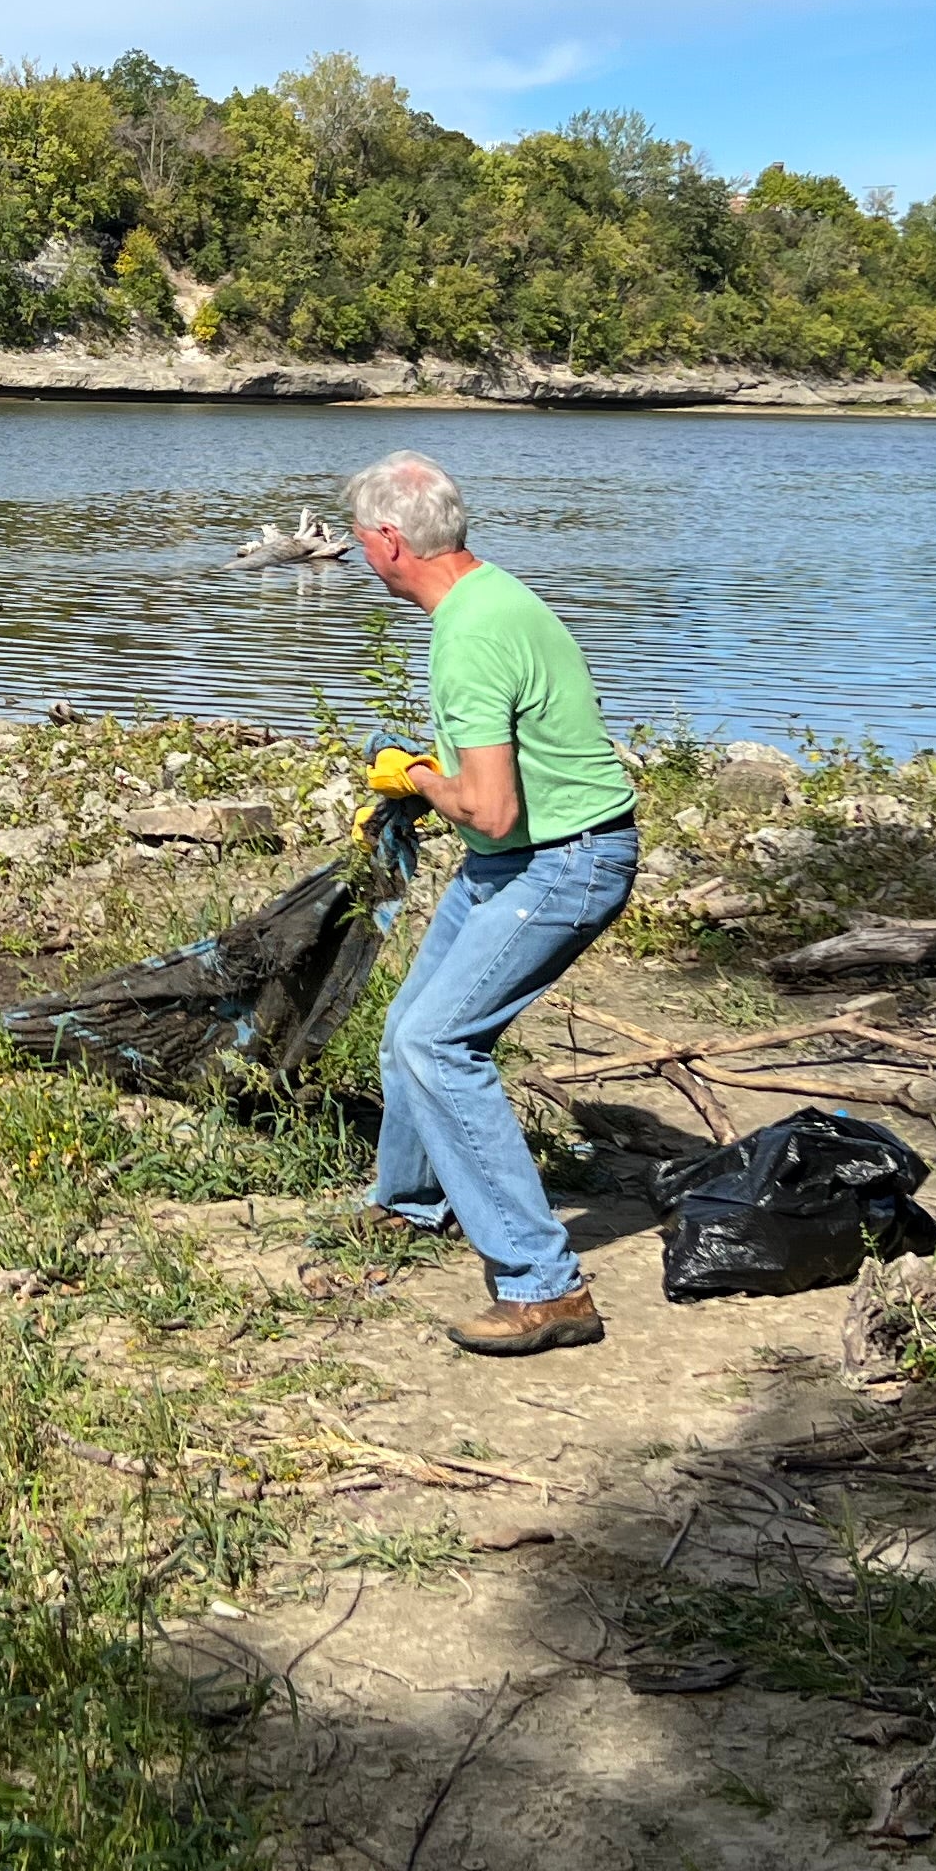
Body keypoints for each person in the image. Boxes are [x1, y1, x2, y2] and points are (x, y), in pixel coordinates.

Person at [344, 448, 640, 1358]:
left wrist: (413, 775)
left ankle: (545, 1287)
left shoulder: (468, 635)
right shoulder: (490, 596)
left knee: (439, 1044)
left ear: (391, 540)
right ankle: (408, 1203)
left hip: (564, 863)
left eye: (359, 542)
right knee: (408, 1028)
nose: (359, 558)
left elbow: (490, 808)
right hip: (518, 859)